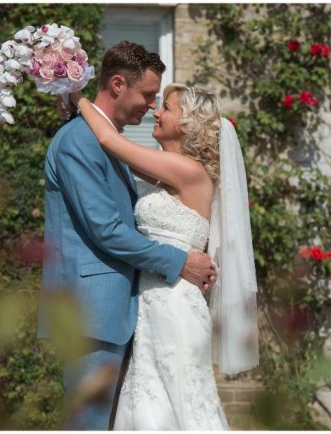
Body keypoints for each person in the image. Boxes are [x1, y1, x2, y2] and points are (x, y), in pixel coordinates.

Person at [37, 41, 218, 431]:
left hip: (132, 312)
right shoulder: (79, 141)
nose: (151, 106)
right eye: (149, 95)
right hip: (92, 312)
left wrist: (77, 99)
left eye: (160, 101)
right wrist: (180, 260)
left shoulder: (115, 144)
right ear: (118, 84)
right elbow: (107, 230)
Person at [68, 82, 259, 430]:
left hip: (174, 306)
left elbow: (111, 142)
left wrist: (76, 97)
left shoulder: (190, 172)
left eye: (167, 108)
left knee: (186, 408)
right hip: (151, 307)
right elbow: (112, 152)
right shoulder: (166, 172)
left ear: (186, 123)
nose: (156, 112)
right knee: (149, 412)